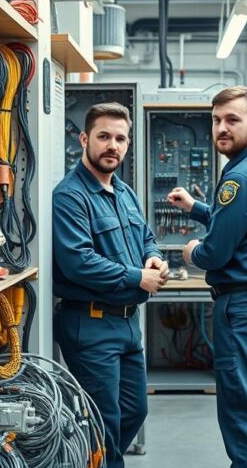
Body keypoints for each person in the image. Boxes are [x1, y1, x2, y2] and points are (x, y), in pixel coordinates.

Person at [167, 86, 247, 468]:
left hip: (245, 307)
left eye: (232, 120)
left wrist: (191, 252)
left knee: (241, 410)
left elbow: (216, 253)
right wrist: (197, 208)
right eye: (216, 120)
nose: (221, 128)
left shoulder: (239, 178)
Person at [52, 102, 169, 468]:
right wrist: (139, 277)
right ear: (85, 139)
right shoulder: (70, 196)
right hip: (91, 324)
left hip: (126, 323)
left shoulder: (124, 192)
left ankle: (95, 460)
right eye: (104, 137)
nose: (112, 146)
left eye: (120, 138)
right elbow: (78, 262)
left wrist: (152, 256)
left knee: (135, 409)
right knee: (104, 423)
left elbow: (147, 236)